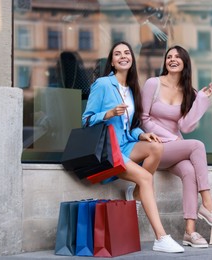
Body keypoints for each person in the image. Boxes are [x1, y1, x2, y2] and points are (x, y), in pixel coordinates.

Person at [82, 41, 184, 253]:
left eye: (127, 53)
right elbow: (86, 120)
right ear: (112, 61)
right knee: (146, 177)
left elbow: (132, 125)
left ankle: (137, 192)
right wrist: (108, 114)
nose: (123, 56)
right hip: (109, 150)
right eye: (117, 54)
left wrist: (143, 134)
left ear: (131, 59)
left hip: (126, 144)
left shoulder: (132, 88)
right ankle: (161, 237)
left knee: (157, 147)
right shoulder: (102, 84)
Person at [135, 45, 212, 248]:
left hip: (174, 149)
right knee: (197, 146)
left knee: (189, 171)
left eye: (177, 57)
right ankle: (208, 203)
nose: (172, 59)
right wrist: (170, 138)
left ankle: (190, 232)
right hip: (154, 147)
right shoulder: (153, 84)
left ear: (185, 62)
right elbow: (143, 118)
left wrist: (201, 100)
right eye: (169, 57)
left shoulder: (189, 92)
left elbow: (186, 126)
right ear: (165, 62)